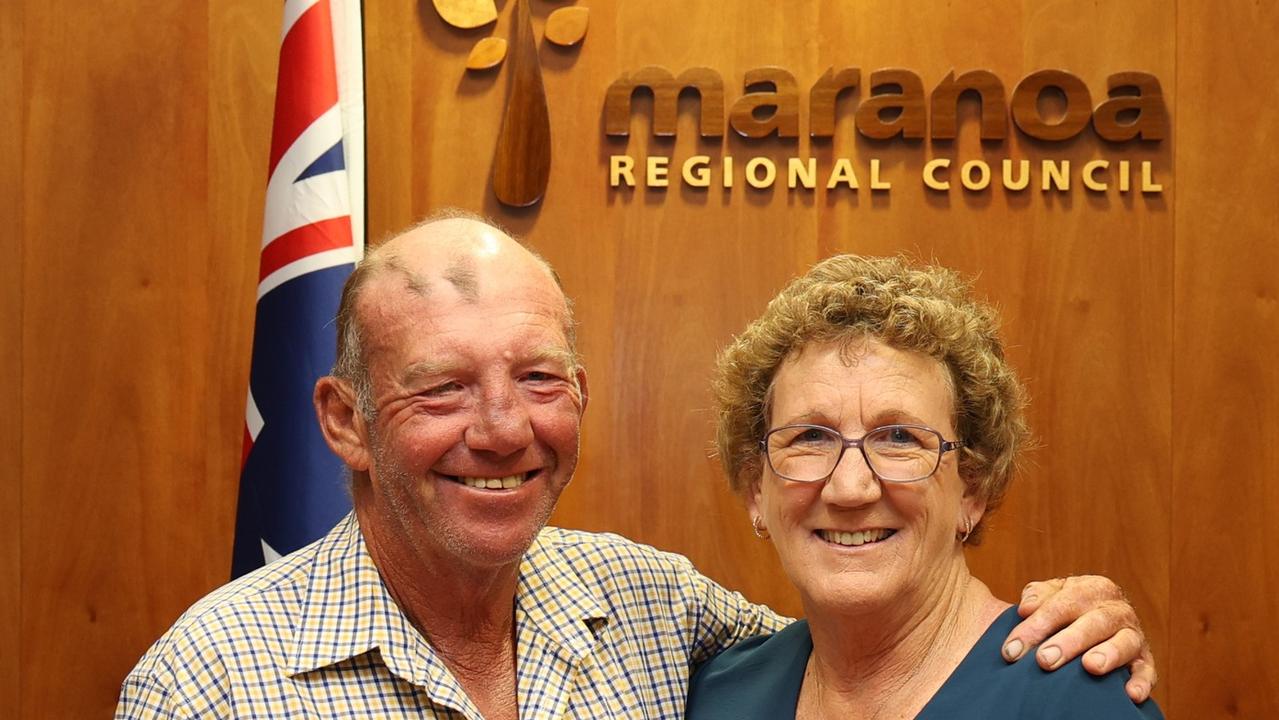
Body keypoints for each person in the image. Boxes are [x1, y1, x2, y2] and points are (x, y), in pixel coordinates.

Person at [117, 214, 1156, 719]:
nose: (499, 428)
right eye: (440, 388)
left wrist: (1079, 612)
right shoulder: (206, 685)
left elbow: (870, 634)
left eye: (535, 377)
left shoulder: (653, 614)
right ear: (344, 421)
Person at [686, 254, 1162, 718]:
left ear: (972, 486)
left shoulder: (1074, 700)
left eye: (899, 438)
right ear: (755, 488)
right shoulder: (718, 694)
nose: (850, 489)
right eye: (811, 437)